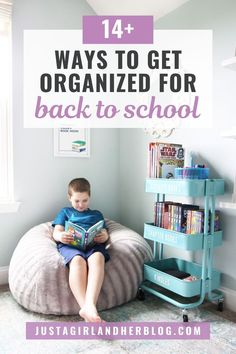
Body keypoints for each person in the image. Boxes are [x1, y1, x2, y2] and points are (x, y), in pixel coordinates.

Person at [52, 178, 110, 322]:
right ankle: (87, 307)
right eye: (77, 201)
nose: (81, 205)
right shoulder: (65, 212)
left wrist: (103, 237)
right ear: (69, 197)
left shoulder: (97, 214)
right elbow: (56, 232)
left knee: (98, 258)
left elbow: (105, 232)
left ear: (89, 197)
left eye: (85, 200)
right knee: (78, 261)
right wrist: (61, 236)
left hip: (92, 246)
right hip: (71, 246)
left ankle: (89, 306)